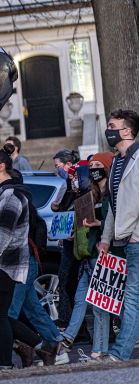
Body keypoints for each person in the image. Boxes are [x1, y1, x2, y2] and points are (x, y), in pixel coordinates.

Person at [0, 150, 59, 369]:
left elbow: (2, 235)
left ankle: (6, 365)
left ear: (0, 167)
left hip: (5, 263)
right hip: (0, 263)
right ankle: (43, 345)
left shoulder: (10, 195)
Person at [61, 153, 116, 359]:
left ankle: (97, 349)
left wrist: (99, 224)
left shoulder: (113, 194)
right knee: (81, 297)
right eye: (90, 165)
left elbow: (120, 223)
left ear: (107, 167)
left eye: (97, 165)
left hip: (106, 254)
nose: (92, 168)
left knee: (100, 303)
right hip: (89, 254)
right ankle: (68, 341)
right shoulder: (91, 194)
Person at [97, 109, 139, 362]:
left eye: (113, 125)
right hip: (122, 239)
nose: (108, 130)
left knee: (132, 296)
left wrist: (136, 234)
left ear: (126, 131)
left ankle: (119, 353)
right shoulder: (117, 161)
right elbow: (115, 204)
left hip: (135, 240)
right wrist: (105, 238)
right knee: (131, 296)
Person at [52, 148, 81, 330]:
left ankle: (73, 323)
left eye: (58, 166)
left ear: (69, 165)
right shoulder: (65, 185)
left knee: (72, 282)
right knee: (65, 280)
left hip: (77, 240)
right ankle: (67, 320)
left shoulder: (80, 183)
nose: (57, 170)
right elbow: (62, 208)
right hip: (67, 238)